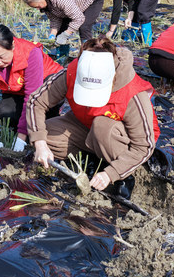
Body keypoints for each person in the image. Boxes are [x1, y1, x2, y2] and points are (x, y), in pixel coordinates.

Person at [27, 37, 159, 198]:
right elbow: (36, 102)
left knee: (102, 125)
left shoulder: (132, 92)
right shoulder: (74, 71)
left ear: (112, 78)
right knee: (45, 133)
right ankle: (91, 161)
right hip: (85, 125)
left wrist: (111, 173)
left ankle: (123, 175)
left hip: (119, 140)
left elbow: (144, 146)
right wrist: (40, 144)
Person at [0, 24, 63, 152]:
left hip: (48, 87)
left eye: (1, 56)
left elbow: (32, 97)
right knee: (6, 115)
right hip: (17, 89)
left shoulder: (31, 53)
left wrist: (21, 138)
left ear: (13, 46)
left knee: (45, 122)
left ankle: (52, 115)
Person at [23, 0, 104, 47]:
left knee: (84, 27)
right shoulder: (46, 1)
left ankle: (88, 54)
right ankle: (63, 57)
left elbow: (79, 18)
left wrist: (66, 34)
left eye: (38, 6)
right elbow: (55, 18)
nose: (38, 9)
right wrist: (52, 35)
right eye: (35, 7)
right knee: (61, 30)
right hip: (75, 2)